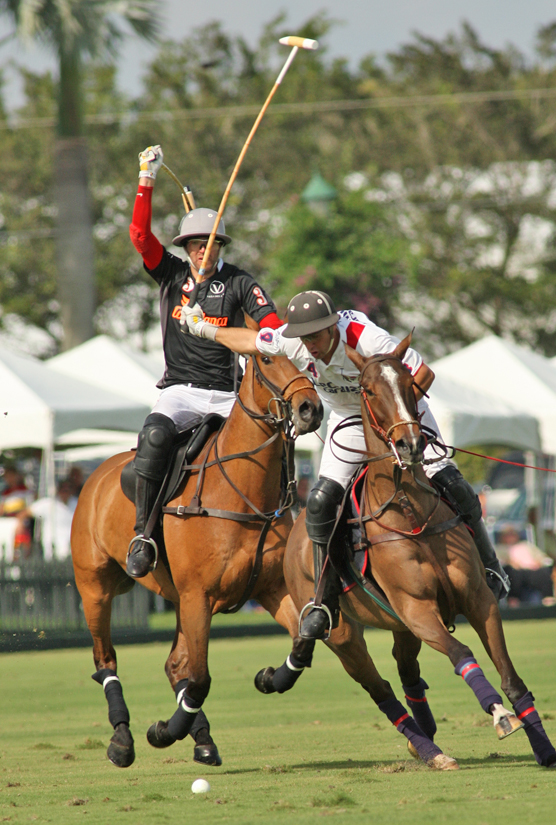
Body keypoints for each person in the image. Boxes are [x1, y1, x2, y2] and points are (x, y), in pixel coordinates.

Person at [181, 290, 511, 639]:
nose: (310, 345)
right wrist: (202, 328)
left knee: (453, 482)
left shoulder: (366, 338)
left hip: (399, 414)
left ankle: (492, 568)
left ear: (332, 326)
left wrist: (392, 416)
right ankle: (323, 601)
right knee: (321, 502)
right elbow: (250, 341)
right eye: (304, 337)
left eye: (315, 336)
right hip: (350, 420)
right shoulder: (293, 341)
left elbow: (423, 373)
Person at [127, 145, 282, 578]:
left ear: (219, 246)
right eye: (196, 245)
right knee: (153, 436)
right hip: (180, 391)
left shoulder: (239, 282)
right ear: (187, 247)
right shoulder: (172, 274)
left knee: (277, 438)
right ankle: (143, 534)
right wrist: (146, 178)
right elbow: (140, 236)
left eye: (209, 245)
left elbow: (272, 328)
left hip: (229, 395)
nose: (202, 252)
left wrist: (265, 337)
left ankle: (283, 519)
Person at [17, 480, 74, 562]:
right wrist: (20, 525)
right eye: (63, 490)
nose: (65, 493)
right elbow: (24, 513)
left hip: (73, 547)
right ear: (58, 490)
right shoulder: (49, 503)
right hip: (52, 547)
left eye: (68, 490)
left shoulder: (76, 503)